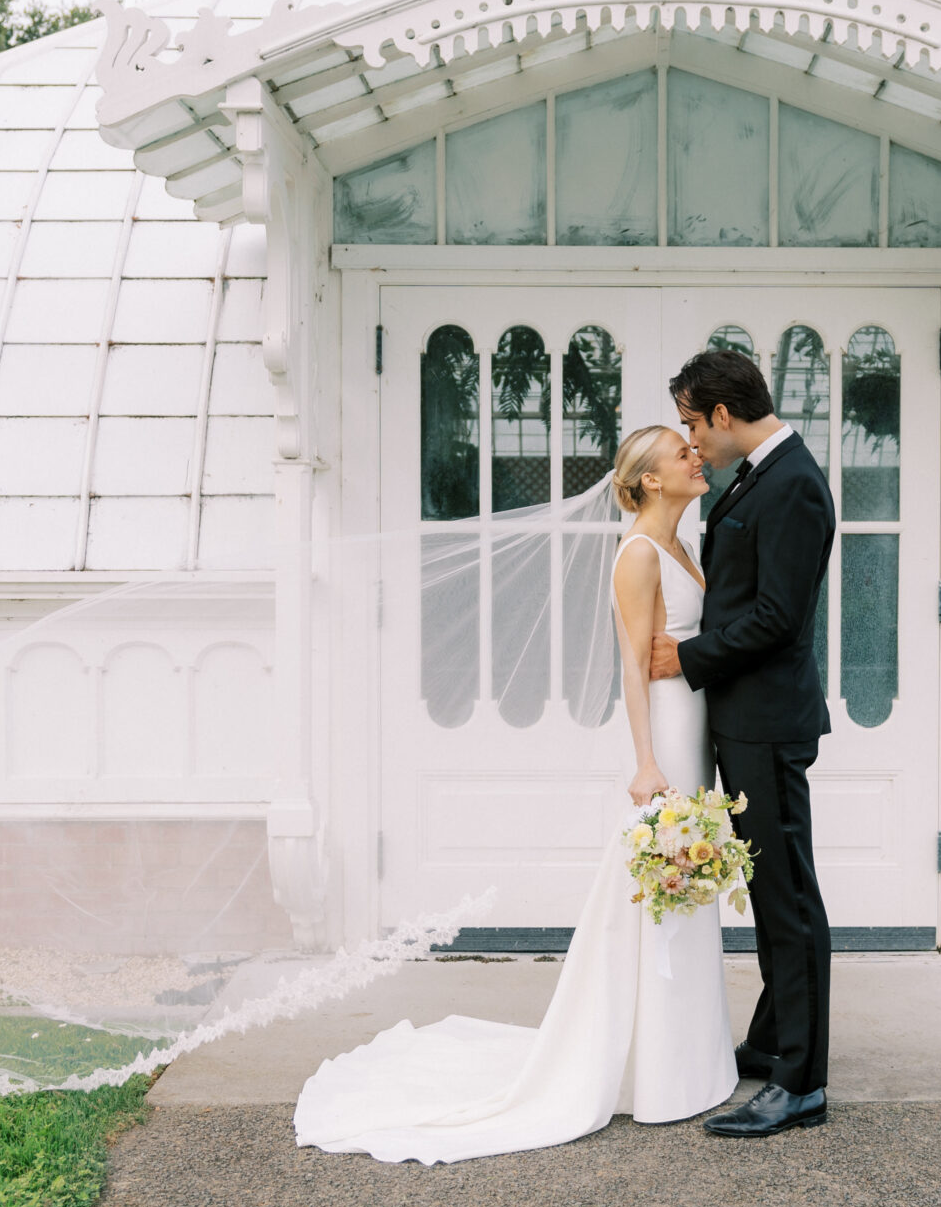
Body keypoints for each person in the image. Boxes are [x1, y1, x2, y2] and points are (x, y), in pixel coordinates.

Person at [290, 426, 738, 1163]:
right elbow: (630, 667)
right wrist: (645, 761)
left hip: (696, 721)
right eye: (679, 452)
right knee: (661, 880)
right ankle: (656, 1069)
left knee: (687, 881)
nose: (696, 454)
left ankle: (689, 1060)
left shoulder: (685, 541)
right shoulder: (636, 553)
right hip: (665, 727)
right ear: (650, 480)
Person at [651, 348, 837, 1139]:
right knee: (768, 893)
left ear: (724, 414)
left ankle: (801, 1082)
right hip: (745, 721)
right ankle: (772, 1039)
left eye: (694, 422)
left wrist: (684, 658)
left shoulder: (792, 483)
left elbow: (777, 618)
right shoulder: (761, 474)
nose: (694, 438)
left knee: (788, 897)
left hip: (769, 723)